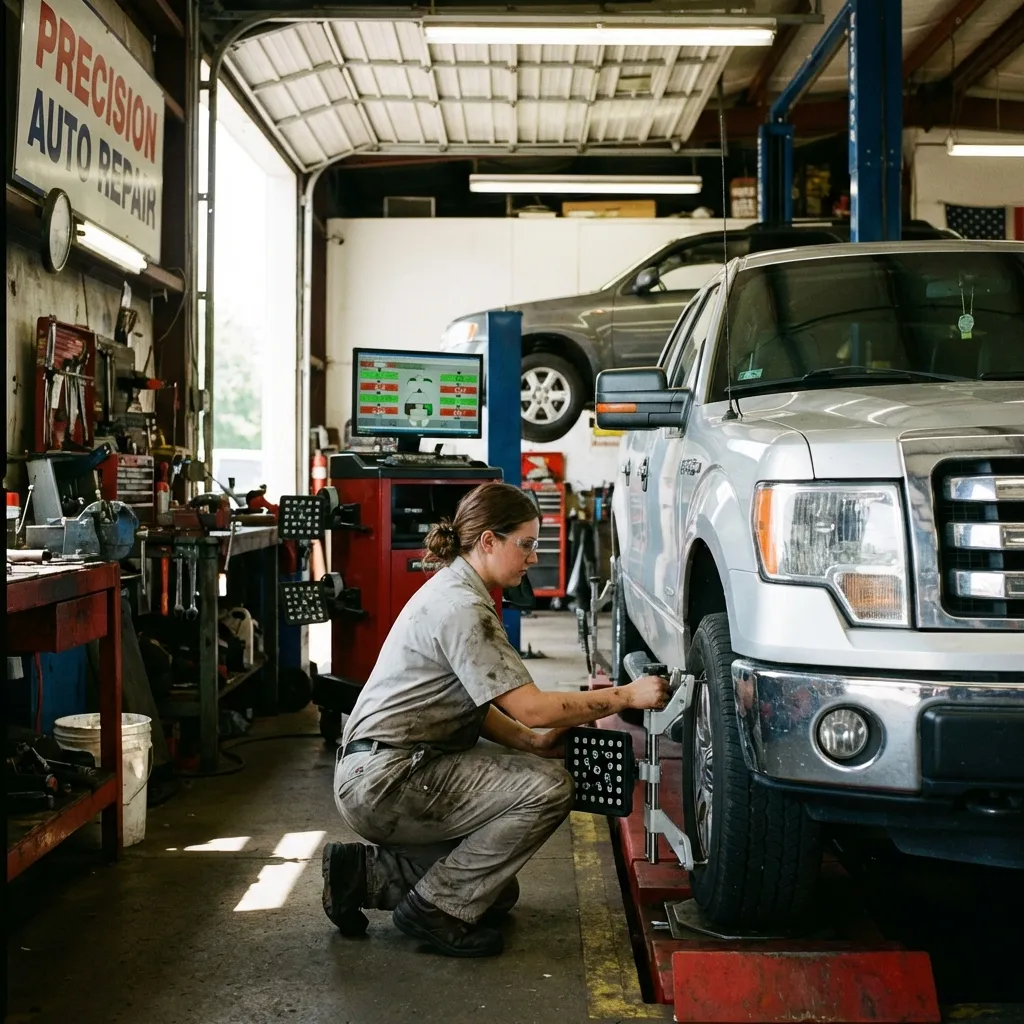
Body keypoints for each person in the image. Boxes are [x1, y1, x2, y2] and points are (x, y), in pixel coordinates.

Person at [322, 481, 669, 958]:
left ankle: (361, 876)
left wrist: (530, 743)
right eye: (524, 545)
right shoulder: (463, 608)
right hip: (390, 779)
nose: (531, 557)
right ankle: (435, 911)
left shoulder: (454, 589)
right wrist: (626, 694)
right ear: (488, 541)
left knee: (497, 892)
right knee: (550, 788)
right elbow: (531, 706)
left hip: (382, 770)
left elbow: (474, 701)